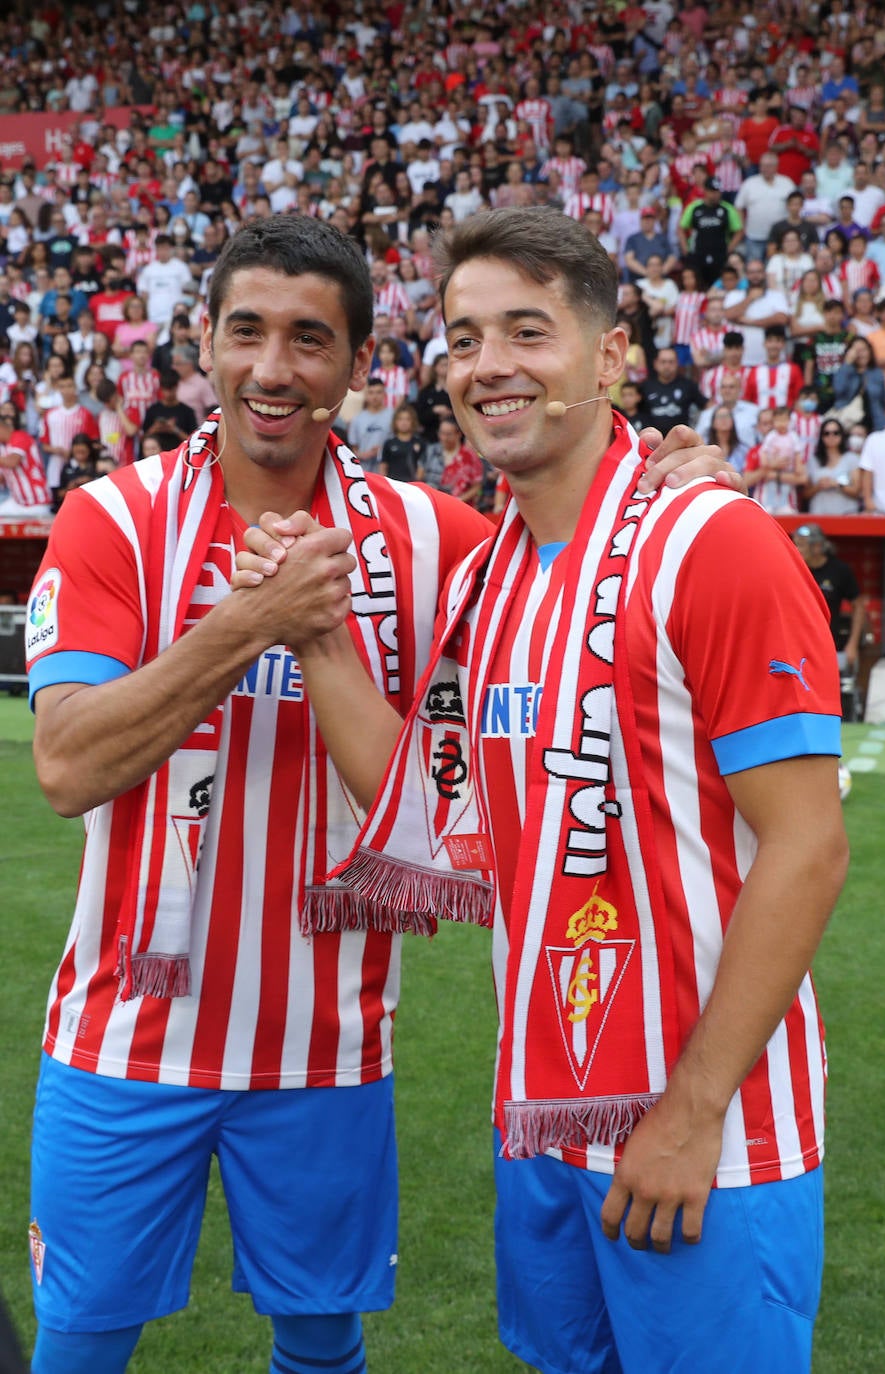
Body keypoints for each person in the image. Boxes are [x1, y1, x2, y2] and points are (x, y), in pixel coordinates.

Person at [26, 211, 736, 1374]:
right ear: (201, 343)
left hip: (326, 1046)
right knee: (81, 1342)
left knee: (320, 1343)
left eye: (310, 340)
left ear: (358, 369)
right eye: (245, 332)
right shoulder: (114, 520)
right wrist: (255, 622)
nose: (272, 369)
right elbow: (66, 766)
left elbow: (593, 532)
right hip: (121, 1038)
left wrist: (676, 474)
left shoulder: (436, 538)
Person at [239, 207, 847, 1374]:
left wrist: (690, 1108)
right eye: (463, 340)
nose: (488, 367)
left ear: (611, 355)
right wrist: (315, 639)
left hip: (707, 1138)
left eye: (527, 330)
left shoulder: (709, 541)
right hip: (546, 1116)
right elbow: (437, 813)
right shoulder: (490, 577)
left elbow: (806, 847)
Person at [791, 524, 867, 678]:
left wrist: (852, 644)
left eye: (801, 545)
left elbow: (858, 606)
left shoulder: (839, 571)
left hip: (827, 645)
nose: (796, 549)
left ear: (817, 547)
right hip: (797, 644)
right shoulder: (793, 569)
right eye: (795, 544)